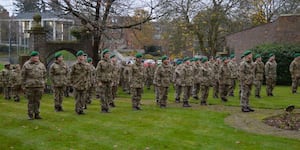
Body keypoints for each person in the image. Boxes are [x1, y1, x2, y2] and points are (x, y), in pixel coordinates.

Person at [21, 51, 47, 120]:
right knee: (31, 101)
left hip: (39, 86)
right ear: (31, 57)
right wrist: (23, 86)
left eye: (37, 56)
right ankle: (30, 115)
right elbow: (23, 76)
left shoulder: (41, 65)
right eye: (35, 56)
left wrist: (44, 83)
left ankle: (37, 114)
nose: (36, 58)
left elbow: (44, 75)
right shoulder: (26, 65)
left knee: (37, 101)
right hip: (30, 86)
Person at [70, 50, 89, 115]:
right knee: (77, 98)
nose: (81, 58)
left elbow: (88, 74)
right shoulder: (74, 65)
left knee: (83, 98)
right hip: (77, 84)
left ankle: (81, 109)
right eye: (80, 56)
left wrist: (88, 82)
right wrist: (72, 83)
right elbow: (71, 74)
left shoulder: (86, 65)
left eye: (82, 56)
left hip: (84, 84)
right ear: (77, 57)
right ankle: (77, 110)